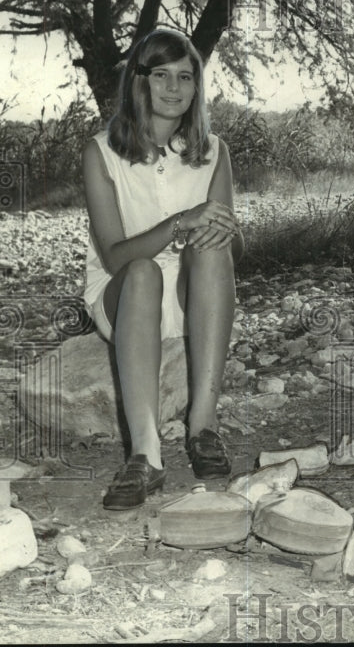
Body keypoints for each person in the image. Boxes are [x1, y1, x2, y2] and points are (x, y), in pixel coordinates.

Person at [83, 28, 243, 509]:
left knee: (213, 249)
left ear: (197, 87)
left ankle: (203, 428)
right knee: (142, 272)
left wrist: (220, 233)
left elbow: (231, 252)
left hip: (192, 294)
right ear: (139, 81)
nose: (174, 88)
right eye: (161, 75)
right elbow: (114, 255)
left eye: (186, 77)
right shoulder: (101, 151)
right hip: (124, 290)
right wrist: (180, 222)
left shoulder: (213, 150)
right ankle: (146, 455)